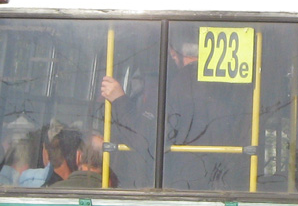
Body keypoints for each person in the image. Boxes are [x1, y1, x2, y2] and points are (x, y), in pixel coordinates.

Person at [100, 34, 250, 190]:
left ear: (174, 53)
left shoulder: (179, 85)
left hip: (182, 185)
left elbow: (145, 140)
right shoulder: (233, 88)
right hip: (226, 183)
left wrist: (119, 100)